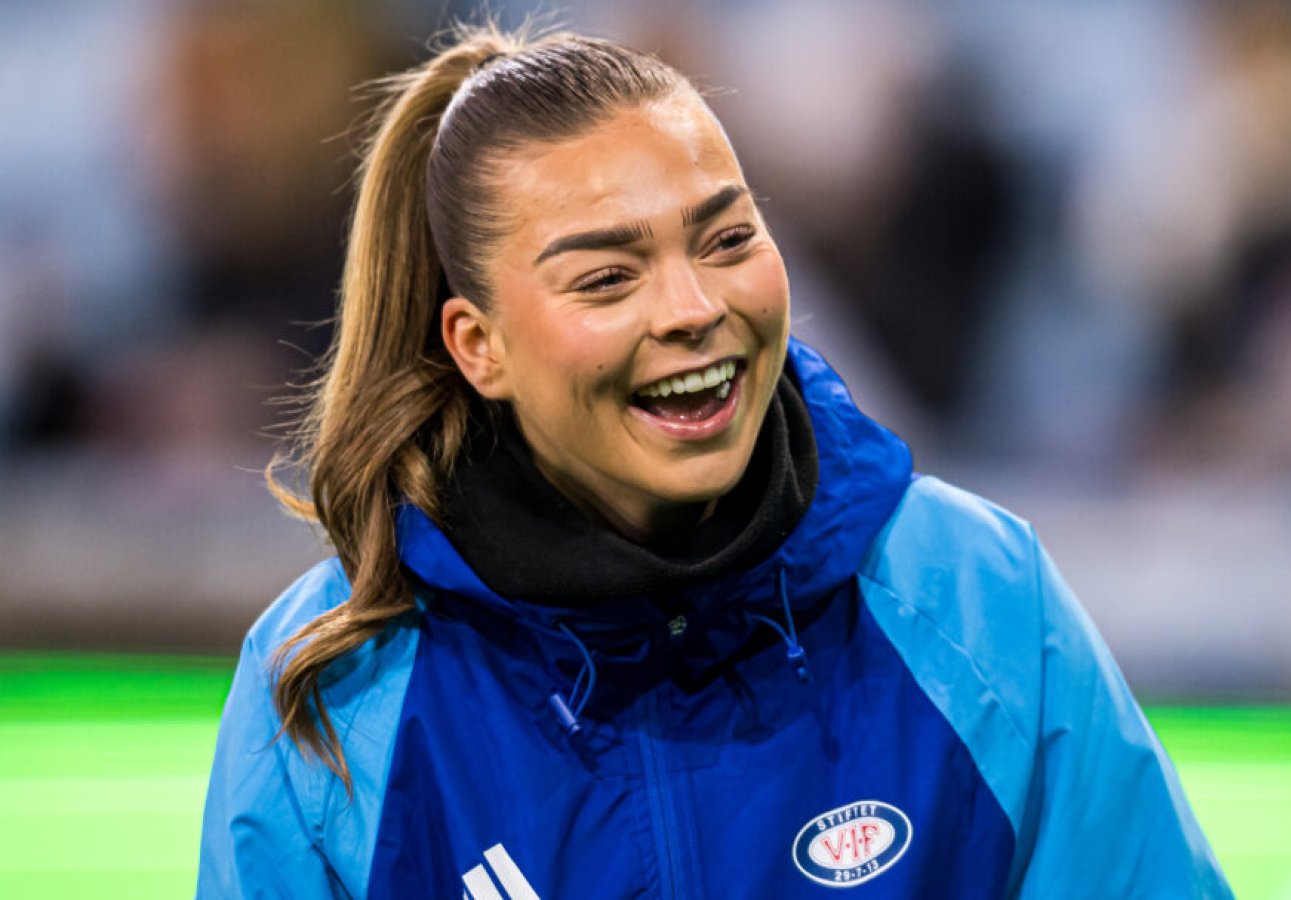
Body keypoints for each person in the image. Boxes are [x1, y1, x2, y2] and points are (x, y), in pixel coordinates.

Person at [197, 23, 1231, 899]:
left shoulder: (977, 599)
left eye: (728, 239)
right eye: (607, 278)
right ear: (479, 345)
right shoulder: (330, 691)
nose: (694, 310)